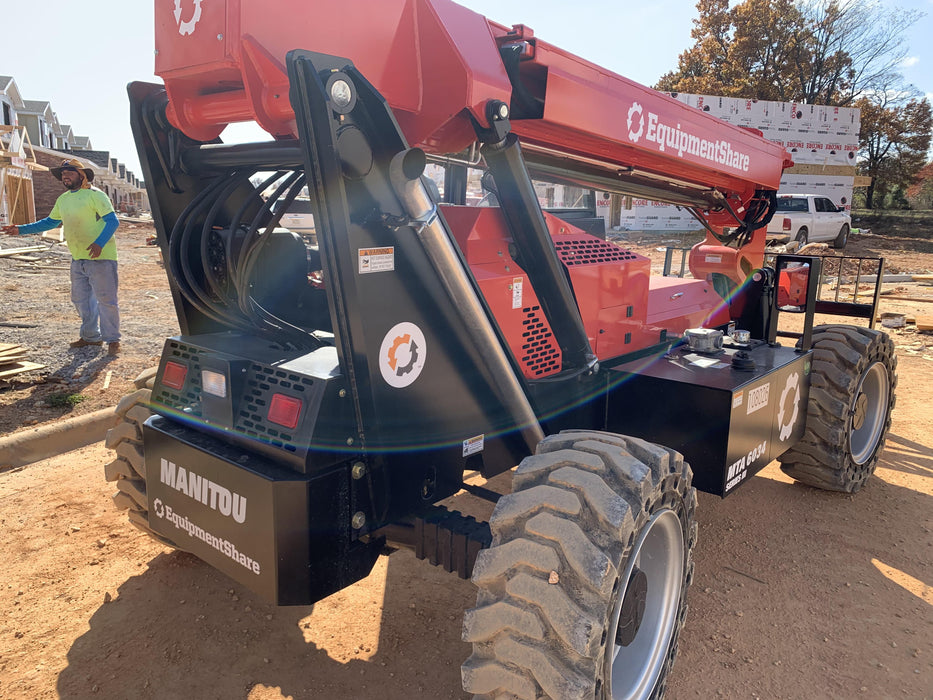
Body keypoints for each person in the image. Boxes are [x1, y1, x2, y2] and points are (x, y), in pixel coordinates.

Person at [2, 158, 121, 355]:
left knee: (106, 300)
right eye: (63, 174)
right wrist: (20, 230)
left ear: (81, 175)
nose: (65, 176)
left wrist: (99, 244)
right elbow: (50, 223)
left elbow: (112, 221)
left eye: (70, 172)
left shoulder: (95, 195)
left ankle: (113, 340)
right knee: (80, 299)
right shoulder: (63, 199)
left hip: (101, 257)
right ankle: (91, 337)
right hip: (78, 257)